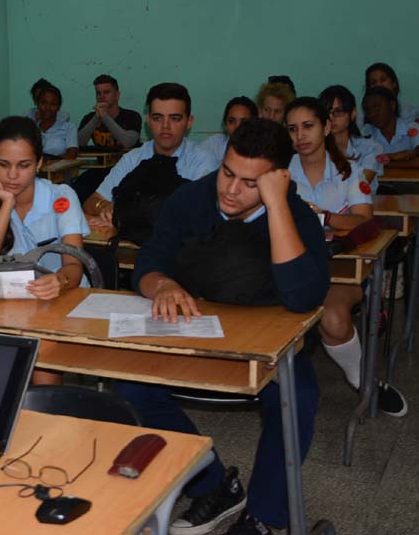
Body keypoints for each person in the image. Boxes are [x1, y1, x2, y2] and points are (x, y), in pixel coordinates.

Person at [120, 118, 327, 535]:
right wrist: (161, 285)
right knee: (128, 387)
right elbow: (148, 261)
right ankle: (213, 482)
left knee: (298, 395)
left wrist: (278, 205)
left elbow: (303, 297)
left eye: (250, 183)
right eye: (227, 173)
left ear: (275, 180)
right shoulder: (190, 199)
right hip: (193, 335)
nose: (230, 190)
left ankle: (262, 518)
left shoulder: (295, 215)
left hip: (266, 343)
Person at [285, 98, 407, 416]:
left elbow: (364, 219)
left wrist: (324, 219)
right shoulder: (280, 176)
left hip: (341, 266)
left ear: (326, 127)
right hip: (293, 265)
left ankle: (363, 381)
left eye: (308, 126)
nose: (301, 135)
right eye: (293, 129)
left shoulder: (349, 172)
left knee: (334, 319)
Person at [0, 116, 88, 385]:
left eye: (23, 166)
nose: (12, 175)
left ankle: (44, 418)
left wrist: (59, 280)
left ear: (39, 163)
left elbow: (74, 266)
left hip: (62, 300)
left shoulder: (61, 197)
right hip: (12, 305)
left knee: (41, 353)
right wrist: (5, 205)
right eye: (3, 165)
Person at [83, 83, 218, 227]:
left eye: (175, 118)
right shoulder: (133, 158)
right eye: (158, 118)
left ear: (189, 122)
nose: (165, 125)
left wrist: (126, 216)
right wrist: (103, 207)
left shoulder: (203, 160)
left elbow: (199, 213)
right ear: (148, 120)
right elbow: (91, 201)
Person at [319, 85, 384, 190]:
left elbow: (361, 186)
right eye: (327, 113)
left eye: (338, 112)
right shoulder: (316, 148)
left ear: (353, 113)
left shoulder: (372, 148)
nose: (331, 118)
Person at [361, 86, 419, 169]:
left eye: (377, 108)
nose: (372, 114)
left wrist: (387, 163)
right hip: (380, 182)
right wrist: (395, 157)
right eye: (368, 111)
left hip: (410, 181)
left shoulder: (411, 128)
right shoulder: (367, 132)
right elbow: (360, 163)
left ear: (392, 105)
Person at [77, 74, 142, 151]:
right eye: (98, 93)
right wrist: (96, 117)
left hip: (129, 162)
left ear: (117, 95)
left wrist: (104, 116)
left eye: (106, 92)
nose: (102, 96)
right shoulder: (89, 118)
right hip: (101, 163)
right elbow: (77, 144)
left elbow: (128, 142)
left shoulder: (132, 116)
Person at [26, 79, 78, 158]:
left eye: (53, 104)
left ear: (59, 107)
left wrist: (49, 160)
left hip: (61, 169)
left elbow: (71, 156)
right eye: (43, 103)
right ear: (37, 104)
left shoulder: (69, 128)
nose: (47, 108)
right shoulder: (31, 130)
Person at [199, 96, 256, 160]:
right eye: (231, 121)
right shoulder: (214, 146)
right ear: (225, 124)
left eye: (244, 122)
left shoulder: (262, 151)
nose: (237, 127)